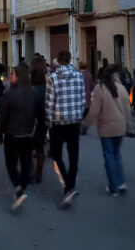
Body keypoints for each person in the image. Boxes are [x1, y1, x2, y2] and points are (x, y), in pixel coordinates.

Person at [0, 65, 45, 210]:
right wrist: (38, 134)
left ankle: (18, 188)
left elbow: (1, 117)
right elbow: (41, 116)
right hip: (28, 136)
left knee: (11, 164)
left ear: (18, 76)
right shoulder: (34, 94)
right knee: (25, 164)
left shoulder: (10, 95)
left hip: (12, 136)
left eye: (12, 74)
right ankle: (22, 188)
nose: (10, 76)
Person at [46, 50, 86, 208]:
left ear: (58, 61)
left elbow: (49, 103)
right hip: (74, 122)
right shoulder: (79, 76)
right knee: (73, 155)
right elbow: (83, 100)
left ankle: (68, 187)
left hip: (58, 123)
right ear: (69, 60)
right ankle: (71, 186)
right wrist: (79, 115)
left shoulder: (53, 77)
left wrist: (48, 121)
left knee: (57, 155)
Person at [84, 65, 132, 196]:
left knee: (109, 156)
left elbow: (94, 111)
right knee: (117, 155)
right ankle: (121, 182)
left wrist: (86, 124)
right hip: (120, 127)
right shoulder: (122, 88)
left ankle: (113, 186)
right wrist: (128, 126)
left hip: (106, 127)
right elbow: (128, 110)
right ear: (115, 75)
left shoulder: (100, 89)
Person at [31, 58, 49, 182]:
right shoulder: (48, 88)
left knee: (27, 147)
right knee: (40, 147)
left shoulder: (32, 89)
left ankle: (31, 171)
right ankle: (39, 173)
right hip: (44, 121)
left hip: (31, 122)